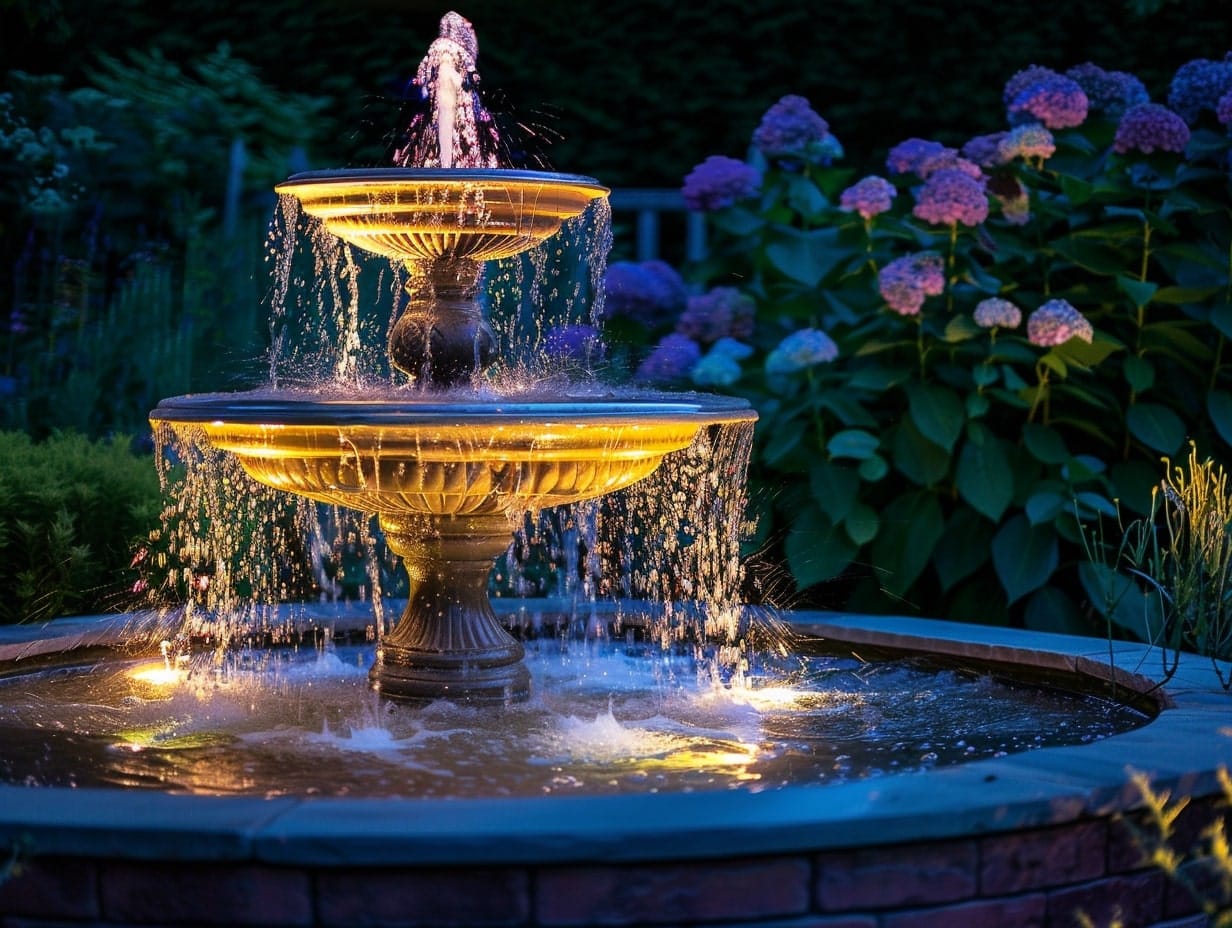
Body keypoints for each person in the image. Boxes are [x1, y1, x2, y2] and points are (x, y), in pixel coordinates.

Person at [392, 11, 501, 169]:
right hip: (447, 147)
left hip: (450, 142)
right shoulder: (448, 61)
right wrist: (447, 167)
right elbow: (445, 114)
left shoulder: (448, 64)